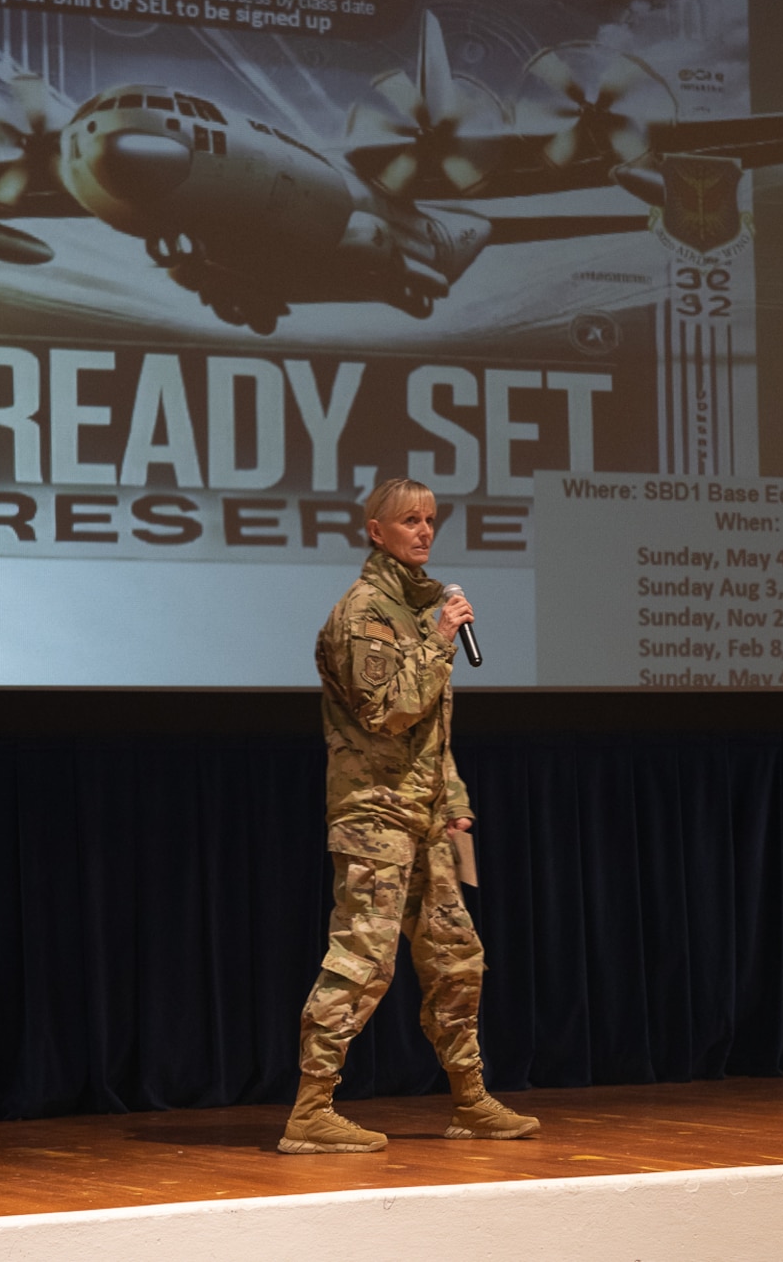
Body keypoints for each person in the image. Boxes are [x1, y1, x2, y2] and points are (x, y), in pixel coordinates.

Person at [279, 477, 540, 1154]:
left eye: (430, 519)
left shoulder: (422, 610)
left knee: (458, 958)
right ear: (376, 530)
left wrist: (453, 804)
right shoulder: (365, 612)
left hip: (424, 817)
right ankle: (310, 1108)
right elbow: (388, 709)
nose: (424, 531)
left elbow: (431, 733)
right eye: (408, 520)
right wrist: (440, 638)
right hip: (374, 814)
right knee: (362, 957)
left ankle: (471, 1098)